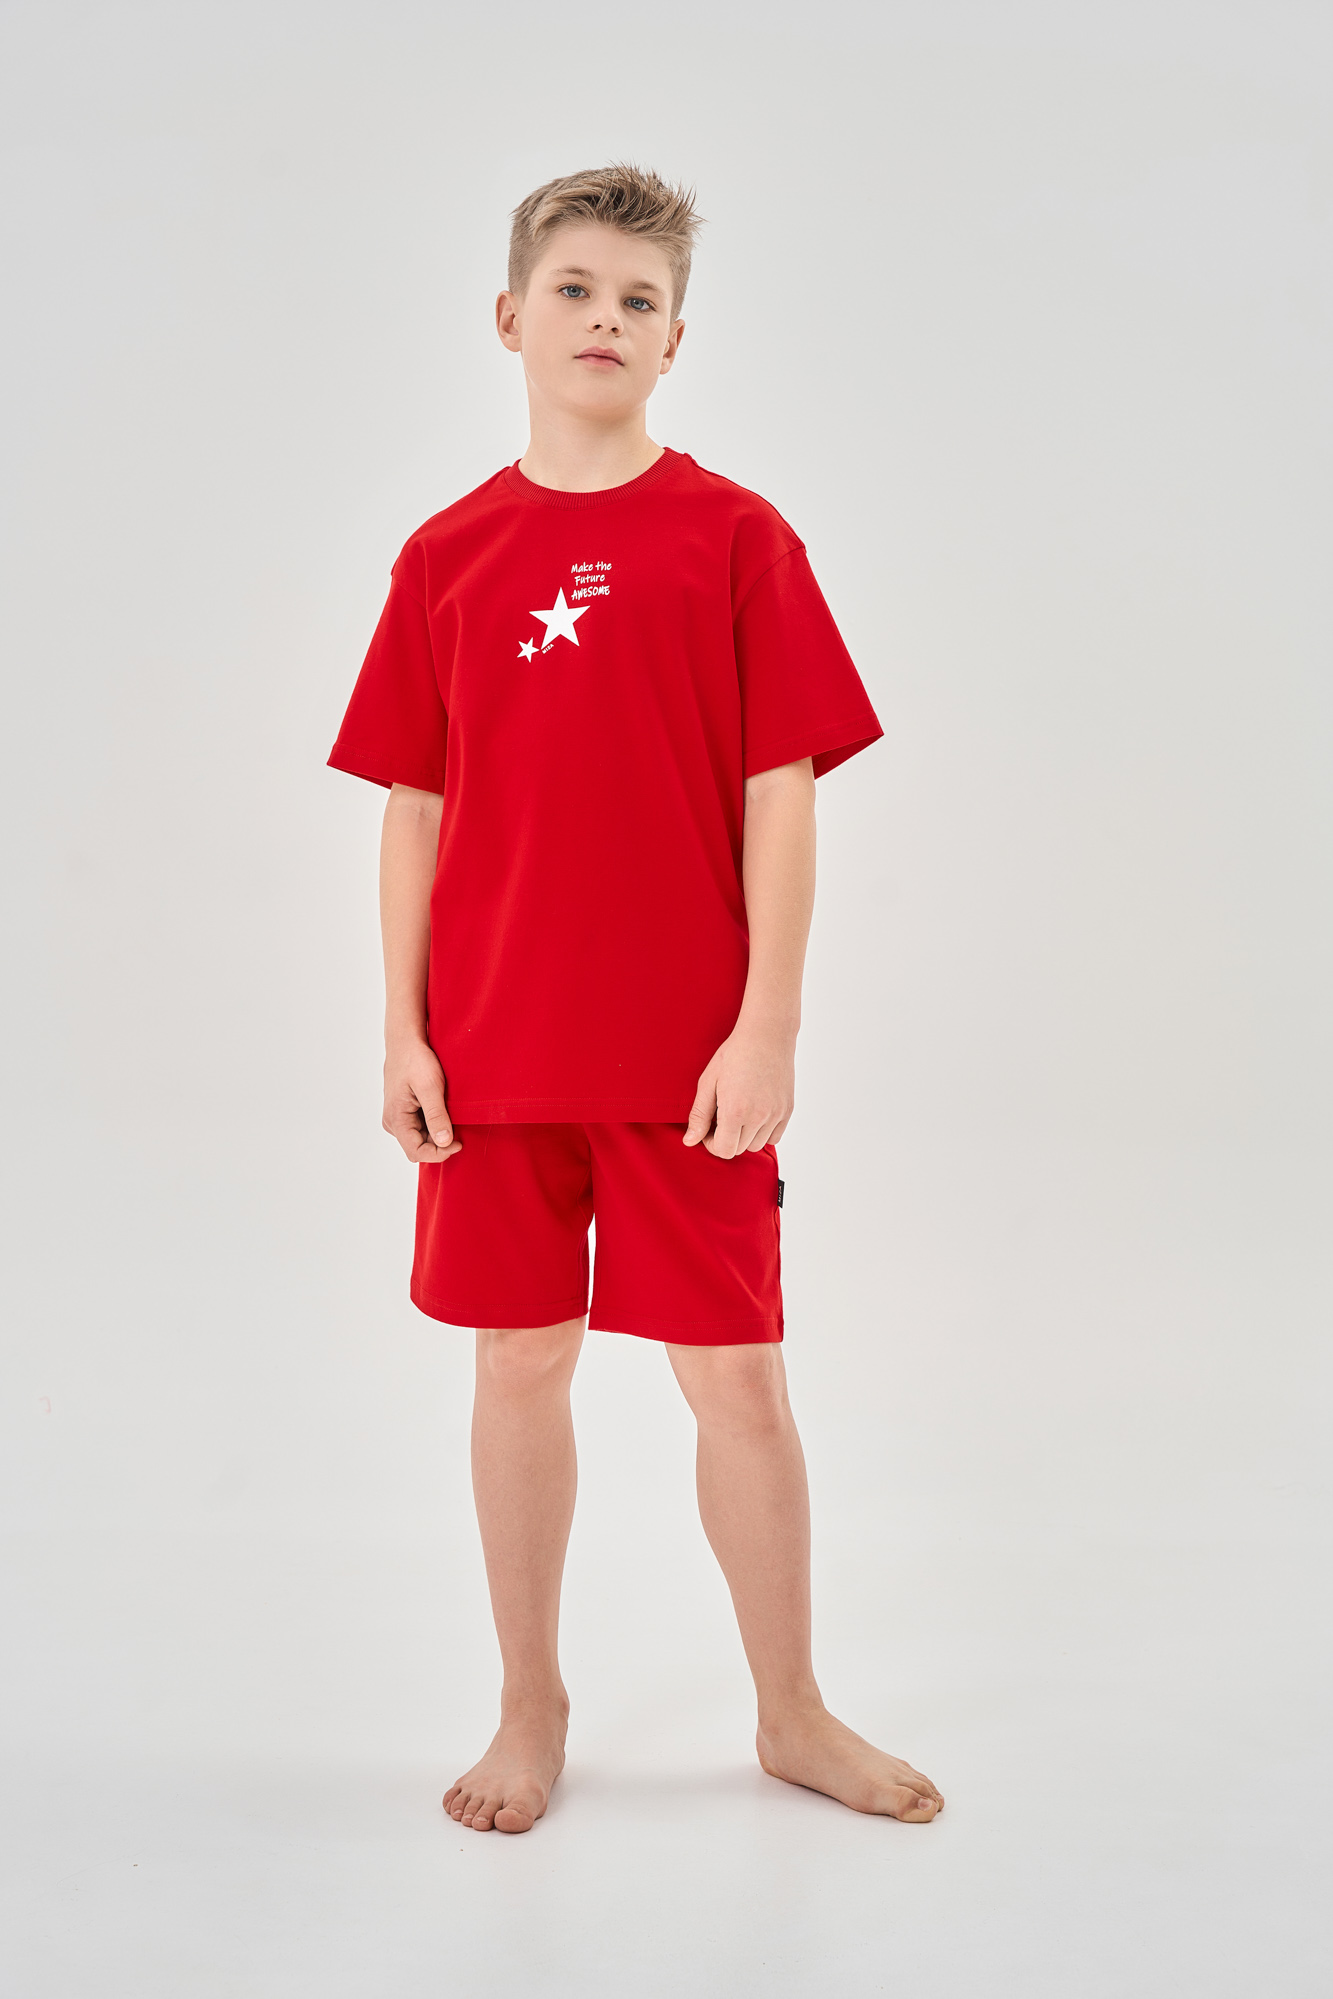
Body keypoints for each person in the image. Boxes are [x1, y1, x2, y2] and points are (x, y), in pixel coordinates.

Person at [328, 163, 943, 1835]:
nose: (605, 318)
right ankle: (528, 1705)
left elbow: (779, 793)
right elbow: (413, 806)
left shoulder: (734, 538)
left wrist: (768, 1025)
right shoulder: (445, 554)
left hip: (688, 1059)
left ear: (676, 341)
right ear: (509, 317)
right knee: (516, 1360)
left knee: (736, 1378)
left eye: (639, 299)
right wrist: (402, 1028)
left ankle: (790, 1710)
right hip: (494, 1048)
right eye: (576, 289)